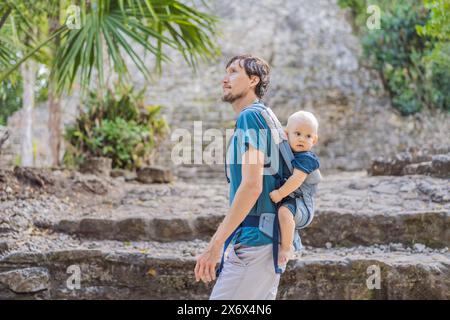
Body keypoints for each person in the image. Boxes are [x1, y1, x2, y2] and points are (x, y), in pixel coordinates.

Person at [194, 54, 287, 299]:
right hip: (267, 241)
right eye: (226, 73)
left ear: (253, 80)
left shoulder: (250, 116)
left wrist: (215, 245)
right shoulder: (264, 116)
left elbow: (252, 186)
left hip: (255, 243)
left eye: (234, 72)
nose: (225, 79)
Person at [269, 111, 320, 266]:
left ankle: (286, 247)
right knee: (283, 213)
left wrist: (279, 193)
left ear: (314, 140)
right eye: (297, 133)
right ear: (286, 134)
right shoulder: (287, 154)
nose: (302, 139)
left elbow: (296, 179)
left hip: (302, 206)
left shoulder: (307, 158)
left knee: (284, 212)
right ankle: (295, 244)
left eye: (308, 136)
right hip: (292, 201)